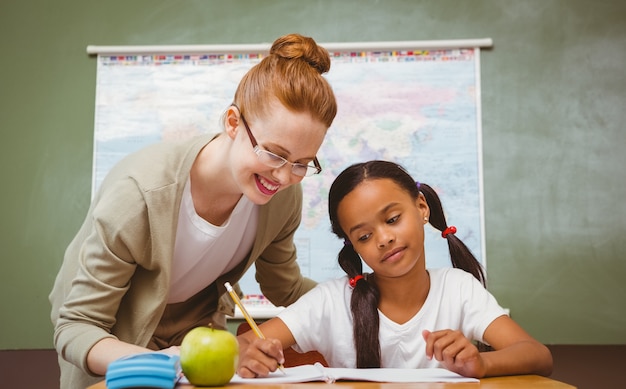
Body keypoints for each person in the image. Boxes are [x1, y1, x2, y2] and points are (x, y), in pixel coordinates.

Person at [49, 33, 337, 388]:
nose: (283, 176)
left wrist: (362, 297)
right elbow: (77, 326)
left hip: (195, 336)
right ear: (233, 123)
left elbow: (285, 288)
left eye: (302, 163)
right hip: (113, 339)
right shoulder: (140, 194)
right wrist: (174, 359)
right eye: (274, 154)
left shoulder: (281, 198)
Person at [237, 160, 553, 379]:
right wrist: (247, 353)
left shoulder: (458, 288)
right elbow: (244, 344)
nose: (385, 239)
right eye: (364, 236)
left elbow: (537, 355)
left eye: (392, 220)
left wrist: (479, 363)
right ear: (353, 245)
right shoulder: (332, 301)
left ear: (421, 208)